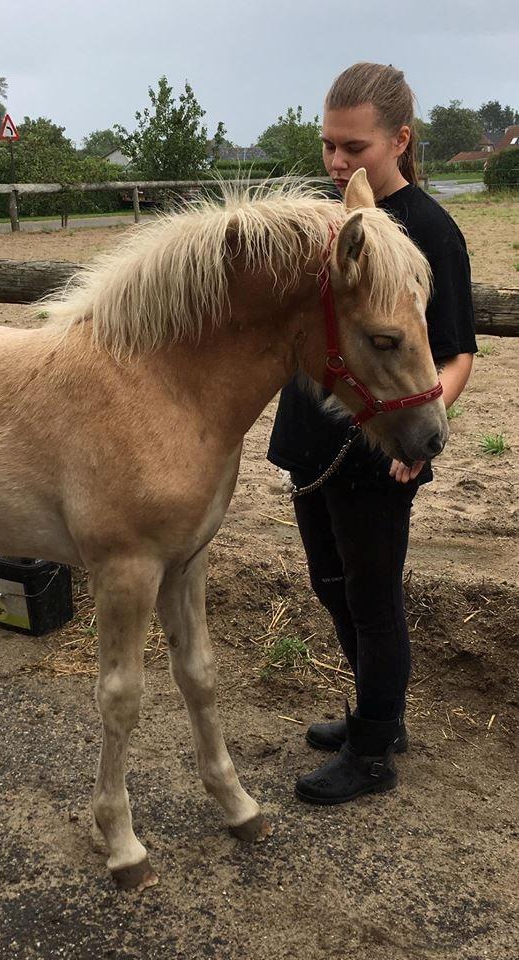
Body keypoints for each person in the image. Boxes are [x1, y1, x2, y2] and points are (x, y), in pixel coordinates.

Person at [266, 62, 477, 804]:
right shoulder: (326, 221)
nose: (336, 162)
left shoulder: (430, 231)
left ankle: (375, 750)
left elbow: (455, 354)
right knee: (330, 586)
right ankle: (376, 713)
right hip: (311, 441)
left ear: (400, 141)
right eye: (328, 144)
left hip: (380, 450)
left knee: (373, 600)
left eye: (353, 147)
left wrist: (420, 439)